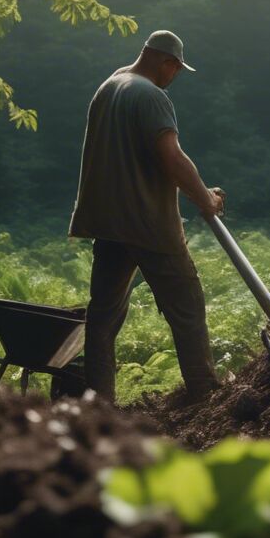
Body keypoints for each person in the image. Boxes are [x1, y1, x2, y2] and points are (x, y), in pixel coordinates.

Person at [68, 29, 226, 403]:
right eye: (176, 69)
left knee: (103, 319)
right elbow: (171, 158)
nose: (174, 77)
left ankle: (99, 402)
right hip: (148, 223)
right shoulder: (153, 97)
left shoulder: (109, 86)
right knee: (187, 306)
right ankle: (205, 395)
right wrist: (205, 198)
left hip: (109, 223)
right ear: (166, 61)